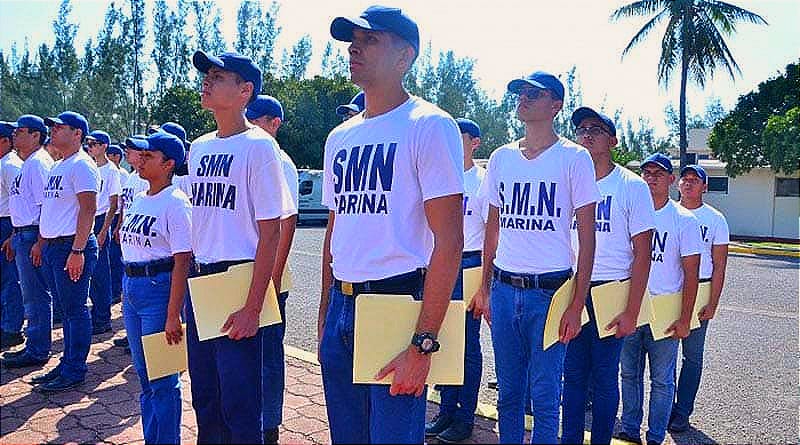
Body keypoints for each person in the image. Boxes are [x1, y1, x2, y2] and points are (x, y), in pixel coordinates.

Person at [320, 6, 464, 443]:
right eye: (353, 40)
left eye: (370, 40)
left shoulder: (429, 126)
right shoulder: (339, 136)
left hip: (396, 305)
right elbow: (335, 230)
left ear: (405, 57)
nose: (354, 48)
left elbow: (450, 242)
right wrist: (327, 312)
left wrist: (424, 343)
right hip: (343, 306)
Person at [472, 71, 600, 444]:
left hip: (550, 293)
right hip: (504, 288)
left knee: (545, 397)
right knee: (509, 395)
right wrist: (485, 289)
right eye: (521, 93)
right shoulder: (501, 158)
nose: (523, 98)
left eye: (534, 93)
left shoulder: (574, 158)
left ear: (555, 105)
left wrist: (577, 302)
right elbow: (491, 229)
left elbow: (588, 238)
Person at [186, 50, 294, 444]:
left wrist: (253, 306)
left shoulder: (260, 146)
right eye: (207, 75)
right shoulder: (198, 147)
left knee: (240, 402)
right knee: (205, 395)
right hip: (202, 280)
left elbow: (271, 232)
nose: (207, 81)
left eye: (218, 75)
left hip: (238, 279)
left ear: (245, 90)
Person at [561, 107, 655, 445]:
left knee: (603, 378)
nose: (586, 134)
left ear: (612, 140)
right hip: (572, 289)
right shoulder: (568, 180)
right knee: (570, 376)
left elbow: (643, 253)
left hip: (610, 291)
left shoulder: (630, 186)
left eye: (596, 129)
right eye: (581, 129)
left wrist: (632, 311)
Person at [618, 153, 702, 445]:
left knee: (662, 380)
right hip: (630, 307)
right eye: (646, 173)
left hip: (664, 311)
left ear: (670, 179)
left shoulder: (683, 220)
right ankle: (630, 429)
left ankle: (655, 435)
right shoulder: (629, 212)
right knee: (628, 373)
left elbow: (692, 274)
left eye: (658, 173)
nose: (651, 178)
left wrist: (685, 318)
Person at [120, 131, 191, 445]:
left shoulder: (175, 203)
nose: (140, 161)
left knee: (162, 380)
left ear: (169, 164)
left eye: (149, 156)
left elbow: (182, 261)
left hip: (158, 291)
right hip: (133, 288)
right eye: (141, 155)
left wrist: (173, 313)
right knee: (145, 377)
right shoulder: (140, 198)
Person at [425, 118, 486, 443]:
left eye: (459, 137)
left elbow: (493, 234)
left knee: (468, 345)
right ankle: (446, 411)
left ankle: (464, 416)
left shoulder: (482, 181)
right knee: (442, 339)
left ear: (474, 142)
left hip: (471, 263)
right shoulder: (442, 176)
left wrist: (485, 284)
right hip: (440, 262)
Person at [245, 94, 300, 444]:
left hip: (268, 278)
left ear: (274, 122)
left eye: (256, 119)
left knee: (266, 356)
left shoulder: (280, 162)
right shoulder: (250, 153)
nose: (249, 125)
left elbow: (287, 224)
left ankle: (269, 425)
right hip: (242, 274)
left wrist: (272, 281)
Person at [33, 111, 100, 392]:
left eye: (61, 127)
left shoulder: (82, 165)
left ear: (77, 134)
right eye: (54, 127)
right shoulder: (60, 165)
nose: (54, 131)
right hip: (55, 247)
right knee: (66, 309)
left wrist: (78, 250)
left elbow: (88, 209)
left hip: (71, 246)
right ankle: (66, 364)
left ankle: (75, 369)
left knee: (75, 310)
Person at [669, 164, 729, 432]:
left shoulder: (715, 219)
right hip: (667, 291)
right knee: (664, 355)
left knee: (691, 357)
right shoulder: (665, 213)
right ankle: (665, 407)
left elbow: (719, 266)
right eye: (685, 179)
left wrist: (712, 303)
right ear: (678, 184)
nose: (689, 183)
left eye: (695, 180)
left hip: (700, 290)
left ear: (705, 187)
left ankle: (682, 412)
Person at [1, 115, 55, 369]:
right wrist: (14, 234)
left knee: (35, 294)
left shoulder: (37, 164)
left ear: (36, 135)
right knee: (31, 293)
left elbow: (47, 206)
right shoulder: (28, 162)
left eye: (21, 131)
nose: (15, 135)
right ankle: (34, 344)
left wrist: (40, 242)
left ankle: (38, 349)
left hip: (34, 233)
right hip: (24, 232)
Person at [112, 137, 150, 352]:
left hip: (145, 245)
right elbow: (125, 206)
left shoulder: (145, 179)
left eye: (132, 150)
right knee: (130, 296)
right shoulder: (132, 177)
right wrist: (120, 226)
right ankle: (132, 334)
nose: (128, 153)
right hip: (129, 239)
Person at [85, 130, 122, 336]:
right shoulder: (89, 166)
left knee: (101, 272)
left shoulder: (111, 170)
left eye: (95, 143)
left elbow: (113, 203)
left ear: (104, 146)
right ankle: (96, 313)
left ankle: (102, 318)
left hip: (100, 220)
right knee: (90, 273)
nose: (90, 147)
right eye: (89, 143)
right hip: (88, 219)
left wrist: (104, 230)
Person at [0, 121, 24, 350]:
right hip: (4, 223)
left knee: (10, 279)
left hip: (8, 224)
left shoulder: (11, 166)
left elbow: (18, 202)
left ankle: (12, 328)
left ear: (6, 141)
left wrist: (14, 233)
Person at [107, 143, 128, 304]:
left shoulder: (122, 174)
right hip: (114, 218)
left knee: (115, 258)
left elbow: (119, 202)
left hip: (115, 217)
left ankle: (116, 290)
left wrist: (118, 224)